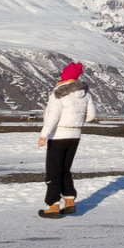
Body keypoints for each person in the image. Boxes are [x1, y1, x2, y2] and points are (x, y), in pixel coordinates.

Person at [36, 62, 96, 219]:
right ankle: (69, 202)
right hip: (75, 136)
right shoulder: (85, 93)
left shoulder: (58, 92)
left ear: (64, 76)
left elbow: (53, 116)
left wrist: (43, 135)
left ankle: (53, 205)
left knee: (53, 170)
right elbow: (90, 116)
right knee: (65, 169)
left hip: (58, 135)